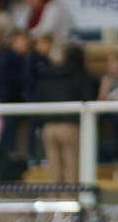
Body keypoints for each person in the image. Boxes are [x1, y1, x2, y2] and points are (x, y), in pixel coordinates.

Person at [34, 42, 97, 184]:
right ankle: (69, 204)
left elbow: (39, 99)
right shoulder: (82, 78)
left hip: (48, 127)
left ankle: (54, 204)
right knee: (71, 172)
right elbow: (88, 100)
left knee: (54, 173)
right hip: (70, 126)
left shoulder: (48, 76)